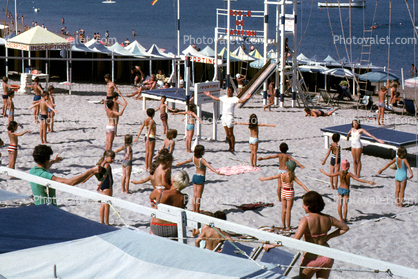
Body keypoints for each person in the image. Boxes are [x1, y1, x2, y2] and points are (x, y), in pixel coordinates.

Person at [264, 191, 349, 279]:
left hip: (311, 259)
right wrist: (328, 236)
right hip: (327, 256)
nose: (302, 206)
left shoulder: (306, 220)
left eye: (304, 204)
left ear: (309, 206)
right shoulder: (329, 218)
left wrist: (274, 244)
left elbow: (295, 239)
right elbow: (345, 228)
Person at [29, 145, 100, 206]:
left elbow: (43, 168)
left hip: (38, 207)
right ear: (46, 160)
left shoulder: (32, 171)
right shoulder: (46, 175)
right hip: (48, 210)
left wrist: (53, 161)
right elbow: (71, 182)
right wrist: (91, 171)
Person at [259, 160, 309, 231]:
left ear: (287, 167)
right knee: (288, 211)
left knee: (283, 210)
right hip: (290, 192)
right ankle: (288, 227)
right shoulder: (292, 176)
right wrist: (308, 191)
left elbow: (273, 177)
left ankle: (283, 226)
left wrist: (263, 179)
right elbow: (301, 184)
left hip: (283, 191)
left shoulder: (282, 174)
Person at [177, 145, 224, 213]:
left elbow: (187, 161)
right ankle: (197, 210)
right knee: (198, 196)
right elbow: (209, 166)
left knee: (194, 195)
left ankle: (194, 210)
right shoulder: (202, 160)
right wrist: (216, 172)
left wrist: (180, 164)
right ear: (201, 152)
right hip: (200, 177)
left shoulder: (193, 158)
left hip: (195, 176)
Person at [203, 86, 250, 153]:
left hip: (230, 116)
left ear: (232, 92)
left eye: (230, 90)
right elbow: (216, 98)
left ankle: (233, 147)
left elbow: (241, 101)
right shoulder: (224, 97)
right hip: (224, 117)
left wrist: (246, 98)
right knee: (227, 133)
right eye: (228, 90)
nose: (228, 91)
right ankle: (229, 147)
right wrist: (209, 95)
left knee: (231, 133)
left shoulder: (234, 98)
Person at [149, 170, 189, 238]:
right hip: (174, 227)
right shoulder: (185, 197)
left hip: (157, 226)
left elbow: (151, 198)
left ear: (173, 180)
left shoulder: (159, 192)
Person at [96, 150, 115, 225]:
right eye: (111, 158)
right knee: (107, 205)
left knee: (103, 204)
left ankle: (102, 222)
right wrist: (100, 184)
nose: (113, 160)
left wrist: (100, 185)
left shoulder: (102, 163)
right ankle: (106, 222)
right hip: (107, 185)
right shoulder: (107, 165)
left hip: (103, 185)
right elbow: (105, 175)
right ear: (106, 157)